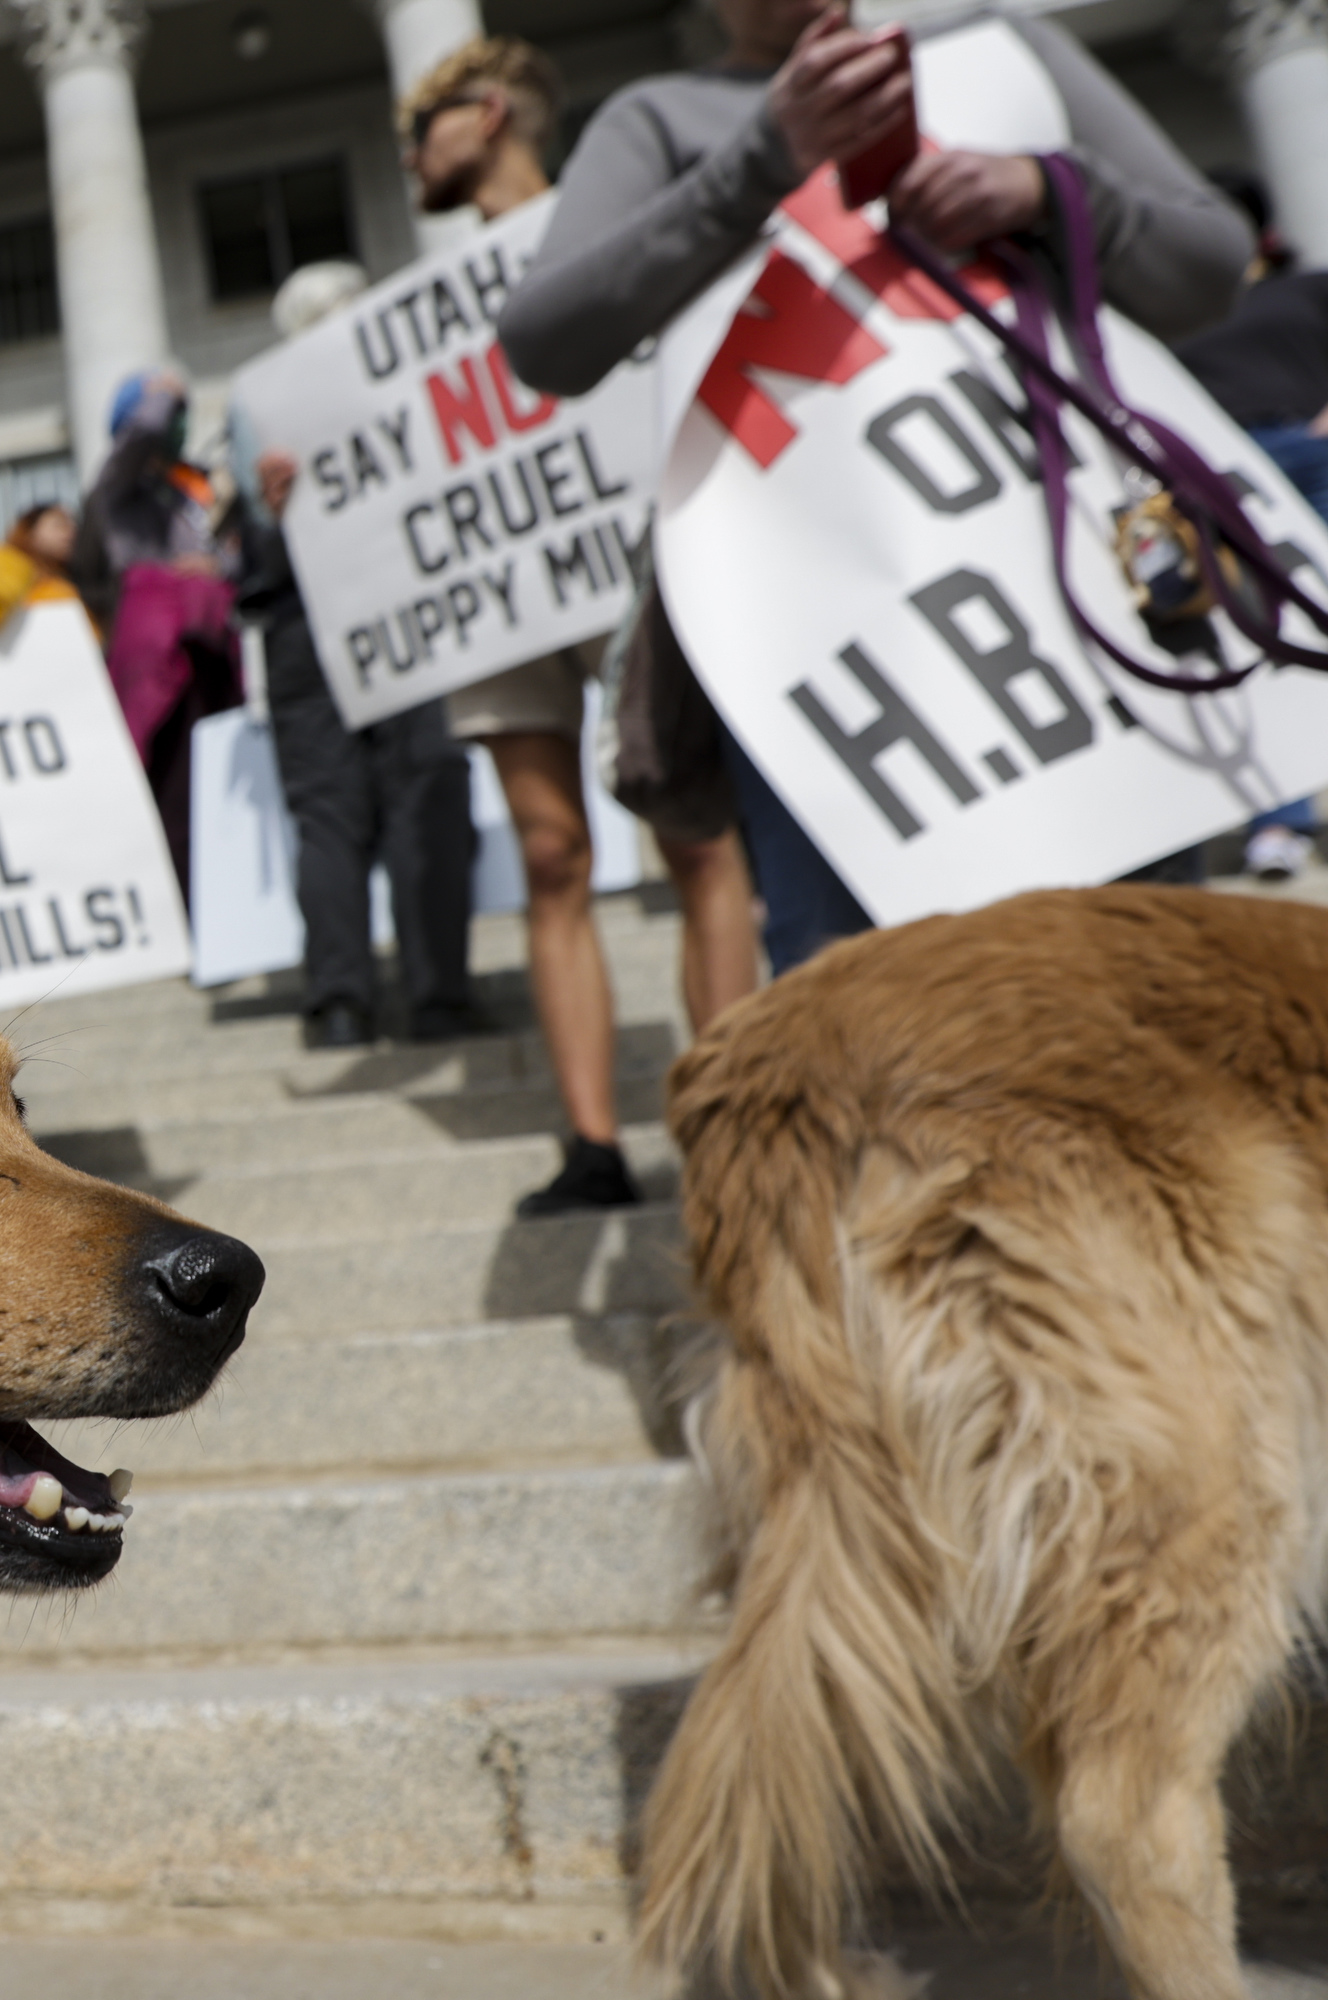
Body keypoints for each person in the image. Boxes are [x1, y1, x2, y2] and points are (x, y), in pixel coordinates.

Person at [496, 0, 1252, 973]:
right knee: (870, 1019)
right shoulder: (662, 118)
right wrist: (763, 159)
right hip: (828, 662)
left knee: (1137, 991)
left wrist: (1046, 189)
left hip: (1076, 621)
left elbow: (1212, 269)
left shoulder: (998, 55)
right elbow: (546, 340)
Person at [401, 38, 762, 1211]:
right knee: (550, 850)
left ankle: (733, 1115)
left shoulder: (625, 237)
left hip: (638, 566)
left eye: (427, 126)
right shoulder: (411, 324)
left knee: (697, 834)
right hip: (498, 588)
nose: (410, 154)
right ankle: (593, 1141)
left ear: (492, 114)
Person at [234, 263, 480, 1051]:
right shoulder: (378, 390)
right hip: (361, 624)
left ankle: (347, 1001)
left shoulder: (251, 404)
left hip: (337, 628)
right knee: (413, 795)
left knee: (347, 814)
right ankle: (427, 996)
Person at [1175, 168, 1328, 880]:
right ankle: (1281, 822)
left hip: (1310, 452)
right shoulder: (1171, 317)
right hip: (1220, 479)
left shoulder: (1304, 289)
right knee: (1258, 636)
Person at [71, 368, 249, 909]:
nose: (177, 425)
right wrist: (159, 394)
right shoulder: (116, 488)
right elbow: (142, 436)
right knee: (174, 790)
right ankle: (189, 913)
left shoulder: (192, 484)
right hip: (157, 663)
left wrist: (219, 567)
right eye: (173, 416)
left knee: (227, 786)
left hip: (213, 649)